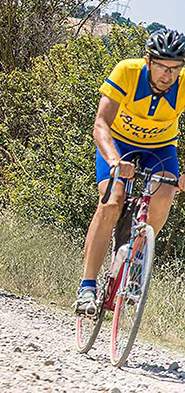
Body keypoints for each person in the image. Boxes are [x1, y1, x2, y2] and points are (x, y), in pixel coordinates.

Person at [74, 29, 185, 314]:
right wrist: (113, 161)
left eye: (175, 68)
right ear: (148, 61)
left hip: (160, 147)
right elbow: (100, 124)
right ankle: (87, 287)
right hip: (119, 143)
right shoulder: (127, 71)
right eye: (161, 66)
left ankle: (137, 258)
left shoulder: (183, 84)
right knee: (112, 203)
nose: (168, 75)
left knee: (166, 189)